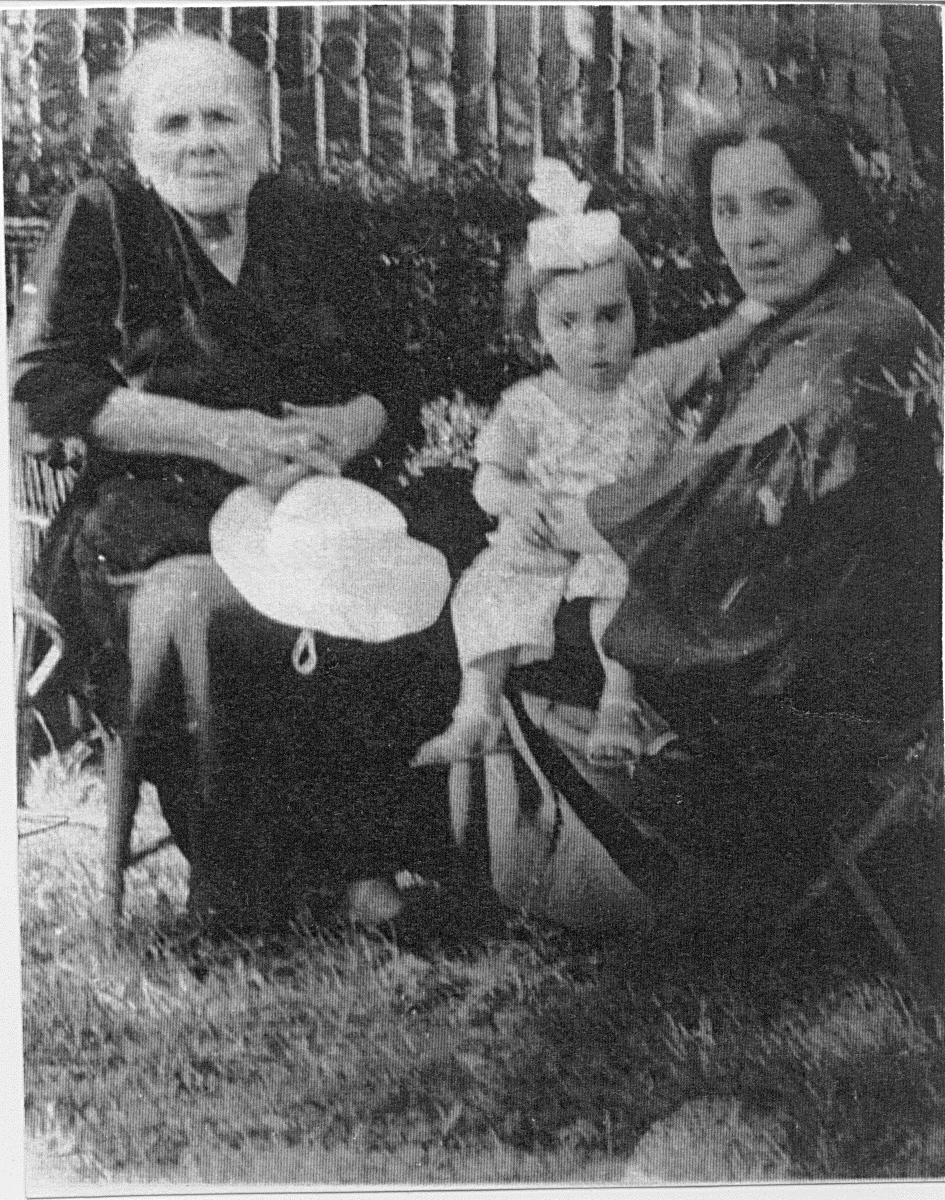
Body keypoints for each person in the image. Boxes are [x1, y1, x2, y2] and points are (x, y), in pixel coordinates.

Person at [11, 31, 446, 929]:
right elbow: (43, 387)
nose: (202, 141)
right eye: (173, 123)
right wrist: (221, 437)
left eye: (223, 117)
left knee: (416, 563)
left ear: (262, 133)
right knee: (211, 604)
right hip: (147, 511)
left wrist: (347, 426)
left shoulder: (306, 222)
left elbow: (394, 379)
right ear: (138, 146)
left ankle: (367, 865)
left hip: (301, 497)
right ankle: (246, 877)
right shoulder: (107, 218)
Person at [580, 101, 942, 940]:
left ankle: (613, 864)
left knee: (545, 621)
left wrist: (582, 520)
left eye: (778, 204)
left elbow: (719, 509)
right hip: (877, 635)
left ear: (832, 209)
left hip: (837, 669)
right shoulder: (844, 306)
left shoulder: (841, 340)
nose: (749, 236)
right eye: (727, 209)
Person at [414, 159, 772, 769]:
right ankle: (476, 711)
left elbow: (719, 341)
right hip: (546, 539)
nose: (594, 339)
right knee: (485, 588)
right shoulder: (527, 403)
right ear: (536, 331)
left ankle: (619, 702)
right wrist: (518, 500)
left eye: (611, 315)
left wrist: (762, 307)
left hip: (621, 533)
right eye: (568, 322)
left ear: (636, 311)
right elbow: (489, 478)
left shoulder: (651, 379)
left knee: (623, 588)